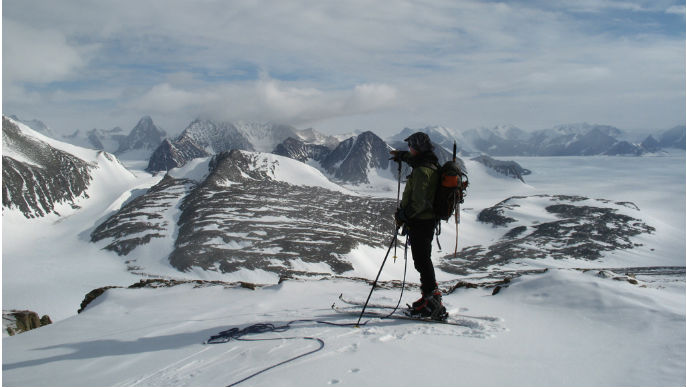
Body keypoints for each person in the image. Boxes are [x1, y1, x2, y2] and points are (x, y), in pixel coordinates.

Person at [390, 132, 447, 320]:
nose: (409, 150)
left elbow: (420, 202)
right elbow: (415, 160)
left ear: (418, 148)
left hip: (422, 222)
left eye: (411, 147)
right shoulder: (426, 163)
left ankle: (432, 300)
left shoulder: (423, 171)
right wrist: (402, 157)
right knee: (422, 259)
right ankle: (428, 297)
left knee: (422, 260)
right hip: (424, 221)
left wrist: (404, 215)